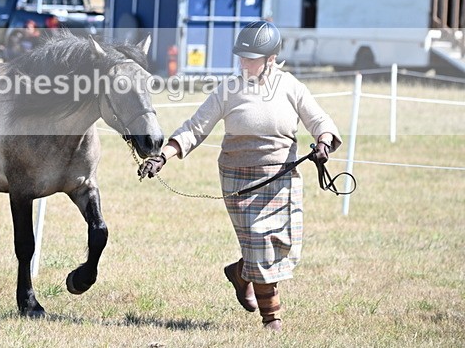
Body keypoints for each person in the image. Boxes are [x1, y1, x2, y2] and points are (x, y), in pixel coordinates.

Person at [140, 20, 341, 332]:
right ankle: (272, 319)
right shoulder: (228, 89)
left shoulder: (291, 87)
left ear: (270, 59)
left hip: (282, 176)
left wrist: (324, 142)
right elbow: (196, 126)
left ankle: (240, 272)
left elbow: (318, 119)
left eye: (251, 58)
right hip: (239, 179)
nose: (244, 63)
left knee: (285, 246)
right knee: (260, 244)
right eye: (242, 57)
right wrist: (163, 156)